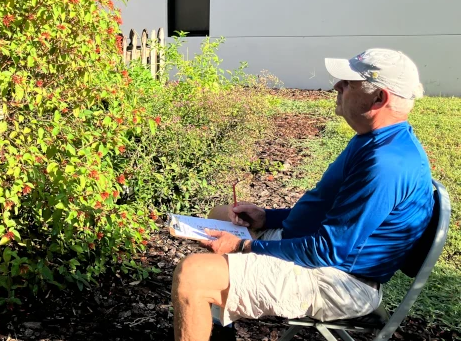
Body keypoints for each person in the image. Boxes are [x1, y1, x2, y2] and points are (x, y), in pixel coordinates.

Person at [171, 49, 434, 341]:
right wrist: (266, 217)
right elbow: (329, 212)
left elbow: (328, 250)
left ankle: (211, 296)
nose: (337, 86)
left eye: (348, 82)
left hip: (341, 281)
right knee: (220, 215)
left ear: (379, 98)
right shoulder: (375, 140)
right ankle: (221, 323)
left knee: (192, 275)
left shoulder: (386, 164)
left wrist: (244, 247)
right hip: (318, 252)